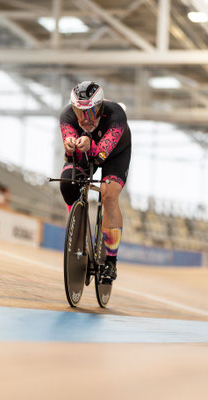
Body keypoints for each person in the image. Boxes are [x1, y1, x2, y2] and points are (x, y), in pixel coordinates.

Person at [59, 81, 132, 283]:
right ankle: (77, 231)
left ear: (100, 108)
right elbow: (71, 155)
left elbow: (100, 156)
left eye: (90, 112)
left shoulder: (116, 115)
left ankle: (111, 262)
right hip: (87, 149)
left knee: (108, 195)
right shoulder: (67, 116)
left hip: (115, 154)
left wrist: (89, 144)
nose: (85, 120)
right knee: (67, 183)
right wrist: (70, 145)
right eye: (79, 113)